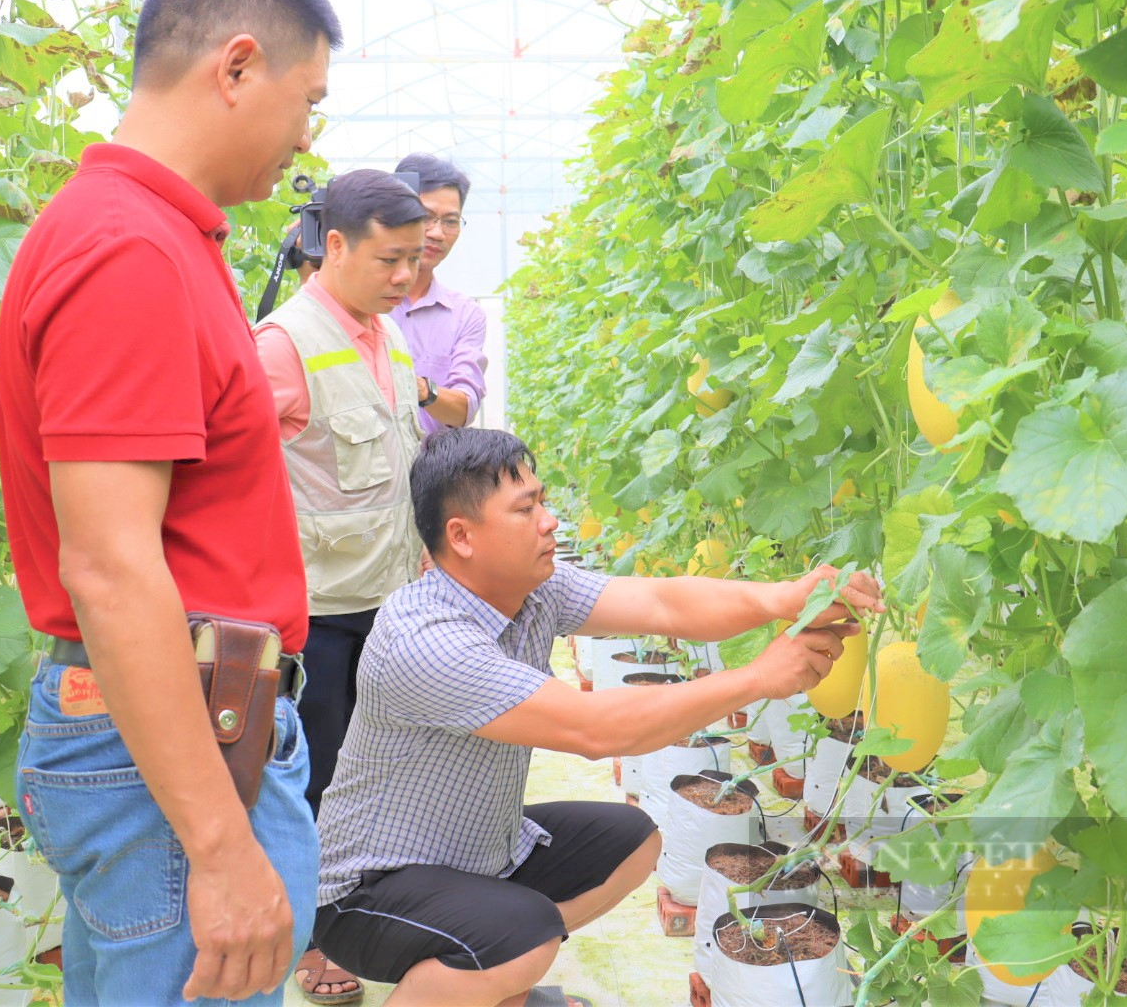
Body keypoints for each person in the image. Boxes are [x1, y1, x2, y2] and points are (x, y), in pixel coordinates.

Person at [0, 0, 339, 1005]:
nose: (305, 137)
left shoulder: (148, 237)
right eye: (306, 99)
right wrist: (224, 852)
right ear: (237, 67)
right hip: (178, 754)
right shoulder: (131, 252)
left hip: (179, 732)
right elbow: (108, 567)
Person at [312, 428, 884, 1007]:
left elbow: (663, 604)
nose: (549, 520)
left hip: (475, 854)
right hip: (365, 891)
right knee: (523, 936)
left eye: (542, 499)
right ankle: (483, 972)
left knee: (633, 843)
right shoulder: (424, 638)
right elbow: (594, 728)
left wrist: (784, 598)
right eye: (525, 508)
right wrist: (758, 678)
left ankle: (489, 981)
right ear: (462, 537)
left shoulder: (533, 590)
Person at [252, 169, 429, 1005]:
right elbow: (236, 485)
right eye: (391, 259)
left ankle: (368, 916)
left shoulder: (389, 336)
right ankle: (317, 943)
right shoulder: (281, 346)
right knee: (317, 780)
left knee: (378, 772)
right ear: (334, 246)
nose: (406, 277)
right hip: (317, 615)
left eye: (415, 259)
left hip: (387, 603)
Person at [390, 153, 489, 434]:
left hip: (430, 476)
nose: (437, 233)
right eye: (425, 217)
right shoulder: (358, 300)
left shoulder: (465, 315)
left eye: (450, 221)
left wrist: (419, 388)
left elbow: (463, 408)